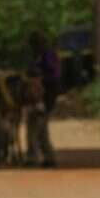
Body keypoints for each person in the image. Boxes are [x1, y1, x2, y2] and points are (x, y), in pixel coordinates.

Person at [26, 31, 61, 167]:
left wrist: (40, 77)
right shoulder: (40, 56)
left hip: (45, 97)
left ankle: (33, 158)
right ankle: (49, 158)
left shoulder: (48, 56)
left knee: (34, 129)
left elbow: (55, 75)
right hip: (39, 98)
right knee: (41, 129)